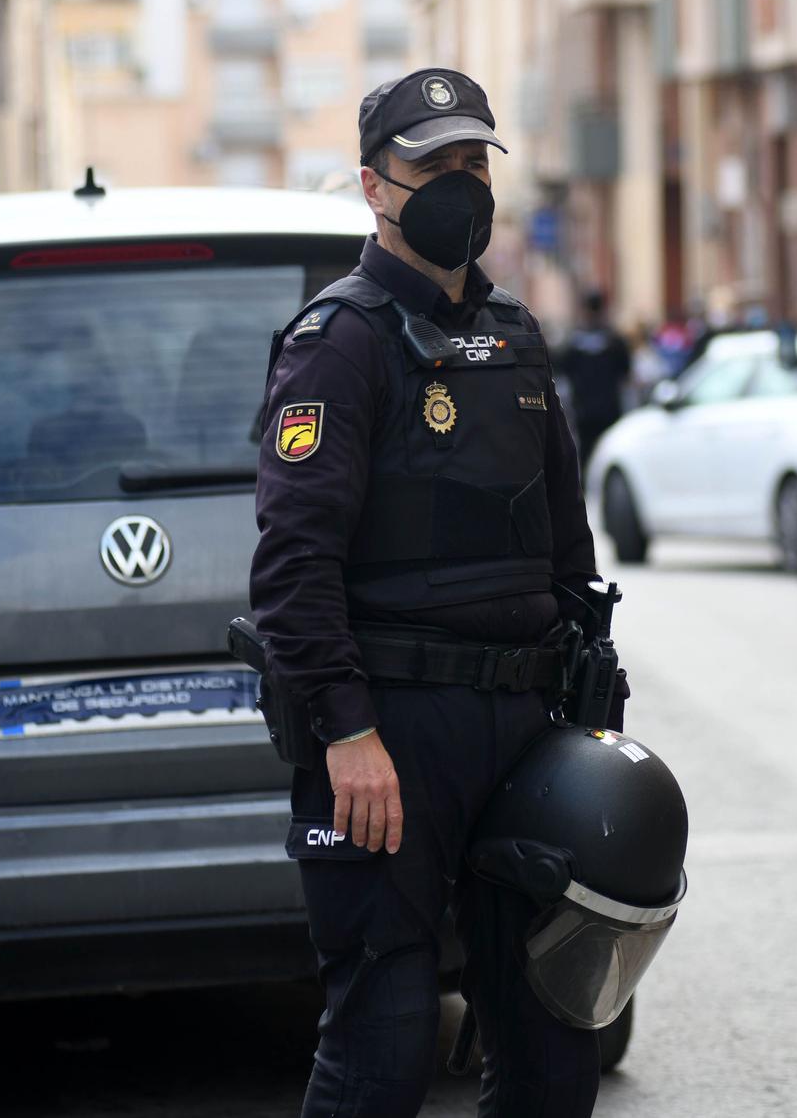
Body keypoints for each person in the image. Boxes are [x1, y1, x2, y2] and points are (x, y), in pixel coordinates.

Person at [251, 67, 615, 1117]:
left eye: (471, 163)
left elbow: (563, 547)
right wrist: (345, 730)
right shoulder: (341, 343)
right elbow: (291, 568)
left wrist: (583, 706)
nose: (460, 186)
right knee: (383, 1054)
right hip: (391, 741)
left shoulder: (514, 336)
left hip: (522, 733)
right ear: (374, 188)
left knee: (551, 1054)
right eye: (431, 166)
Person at [555, 289, 632, 471]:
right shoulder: (615, 341)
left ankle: (587, 487)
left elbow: (562, 371)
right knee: (610, 451)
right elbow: (625, 372)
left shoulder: (574, 343)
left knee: (587, 453)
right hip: (610, 408)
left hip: (584, 410)